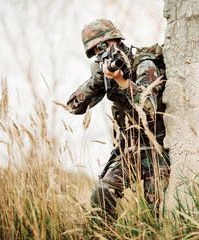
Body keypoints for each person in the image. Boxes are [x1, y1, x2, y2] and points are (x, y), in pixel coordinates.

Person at [66, 18, 170, 219]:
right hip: (129, 149)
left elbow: (147, 107)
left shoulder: (143, 63)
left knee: (157, 216)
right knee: (102, 194)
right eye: (96, 50)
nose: (101, 51)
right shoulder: (106, 74)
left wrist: (122, 81)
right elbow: (72, 106)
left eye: (104, 45)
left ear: (117, 39)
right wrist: (96, 83)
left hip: (156, 150)